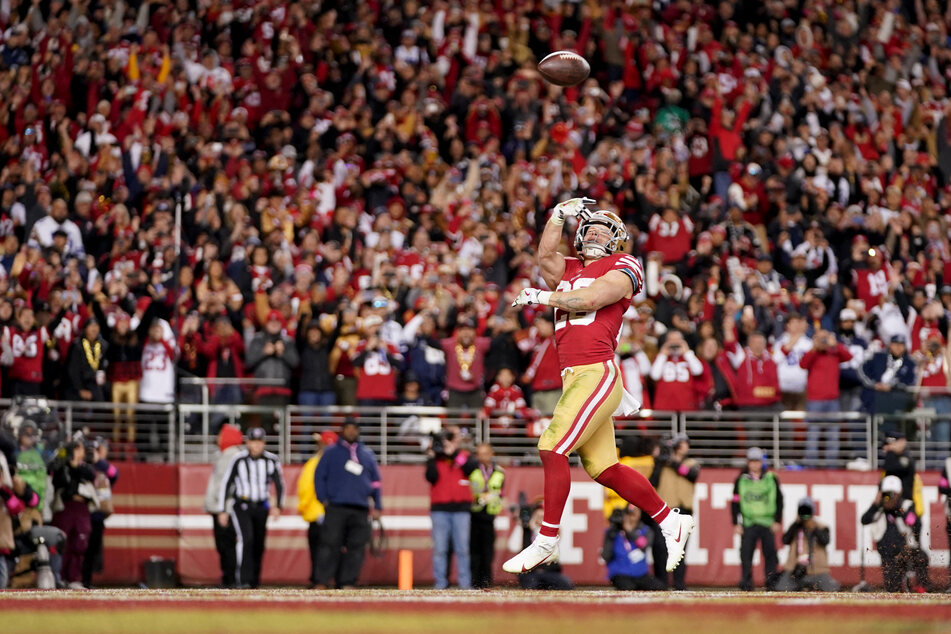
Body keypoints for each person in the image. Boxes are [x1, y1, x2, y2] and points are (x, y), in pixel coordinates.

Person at [504, 199, 695, 576]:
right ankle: (671, 521)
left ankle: (546, 539)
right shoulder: (570, 267)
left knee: (551, 445)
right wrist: (557, 216)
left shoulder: (624, 265)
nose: (593, 233)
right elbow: (544, 258)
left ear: (616, 240)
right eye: (588, 228)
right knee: (604, 467)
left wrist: (543, 297)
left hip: (596, 372)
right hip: (574, 377)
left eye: (602, 230)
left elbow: (590, 298)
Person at [313, 420, 382, 589]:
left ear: (358, 431)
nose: (351, 432)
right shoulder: (330, 453)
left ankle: (348, 581)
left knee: (356, 547)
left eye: (354, 429)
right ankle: (322, 580)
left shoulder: (367, 454)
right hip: (336, 506)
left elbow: (375, 482)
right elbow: (319, 477)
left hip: (360, 507)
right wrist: (323, 499)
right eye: (348, 429)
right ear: (342, 430)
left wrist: (378, 505)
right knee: (329, 545)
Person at [216, 427, 285, 589]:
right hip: (242, 506)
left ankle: (254, 581)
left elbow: (280, 484)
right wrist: (222, 510)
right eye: (253, 442)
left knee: (259, 544)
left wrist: (279, 507)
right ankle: (244, 580)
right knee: (247, 540)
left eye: (259, 442)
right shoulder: (238, 459)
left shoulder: (271, 460)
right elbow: (227, 483)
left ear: (264, 443)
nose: (256, 446)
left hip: (261, 507)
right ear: (248, 442)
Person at [425, 425, 477, 589]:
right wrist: (432, 456)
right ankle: (440, 583)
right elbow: (430, 477)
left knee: (463, 549)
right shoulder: (436, 459)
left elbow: (470, 468)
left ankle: (465, 584)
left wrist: (452, 453)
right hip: (440, 509)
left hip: (461, 509)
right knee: (440, 549)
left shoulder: (463, 456)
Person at [861, 475, 931, 592]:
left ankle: (922, 587)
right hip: (888, 553)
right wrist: (876, 505)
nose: (890, 497)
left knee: (921, 557)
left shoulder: (906, 505)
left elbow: (914, 522)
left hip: (906, 548)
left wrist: (898, 509)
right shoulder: (879, 507)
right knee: (893, 587)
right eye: (887, 494)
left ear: (900, 493)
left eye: (893, 493)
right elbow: (864, 520)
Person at [732, 446, 783, 591]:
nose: (754, 465)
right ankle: (746, 583)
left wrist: (777, 520)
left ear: (761, 462)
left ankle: (771, 583)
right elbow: (735, 502)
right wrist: (736, 522)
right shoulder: (741, 480)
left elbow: (779, 500)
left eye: (757, 461)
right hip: (749, 522)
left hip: (767, 523)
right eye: (752, 461)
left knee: (770, 555)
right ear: (748, 463)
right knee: (746, 555)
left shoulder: (771, 479)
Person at [799, 329, 852, 467]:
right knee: (813, 434)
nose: (823, 341)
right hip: (815, 400)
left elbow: (848, 356)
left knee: (833, 435)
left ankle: (832, 466)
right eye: (820, 338)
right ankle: (810, 466)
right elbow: (803, 364)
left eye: (825, 337)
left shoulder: (834, 352)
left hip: (833, 400)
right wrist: (814, 347)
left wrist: (835, 344)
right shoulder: (812, 353)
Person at [654, 434, 700, 590]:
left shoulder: (690, 463)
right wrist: (660, 462)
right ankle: (661, 583)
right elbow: (653, 481)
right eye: (681, 444)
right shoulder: (662, 464)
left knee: (680, 549)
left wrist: (671, 461)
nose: (684, 447)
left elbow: (690, 474)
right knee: (661, 548)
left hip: (683, 510)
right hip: (666, 510)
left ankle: (679, 583)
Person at [50, 439, 96, 589]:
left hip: (81, 508)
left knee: (80, 543)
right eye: (79, 449)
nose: (82, 452)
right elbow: (57, 479)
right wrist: (65, 459)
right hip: (65, 507)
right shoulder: (62, 467)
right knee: (63, 543)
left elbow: (90, 475)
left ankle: (74, 578)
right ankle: (59, 577)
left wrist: (75, 465)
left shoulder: (85, 468)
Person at [202, 423, 244, 587]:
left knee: (226, 545)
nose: (218, 438)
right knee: (225, 545)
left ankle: (230, 579)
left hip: (224, 509)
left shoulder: (230, 455)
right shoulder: (226, 454)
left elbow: (227, 485)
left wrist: (223, 509)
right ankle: (230, 578)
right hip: (224, 508)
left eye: (221, 434)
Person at [773, 497, 840, 592]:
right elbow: (785, 540)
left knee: (832, 588)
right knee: (781, 588)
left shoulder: (821, 527)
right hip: (795, 570)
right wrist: (796, 523)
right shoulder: (795, 527)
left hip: (817, 570)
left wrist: (814, 528)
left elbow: (825, 541)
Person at [297, 430, 337, 588]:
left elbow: (305, 488)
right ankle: (330, 579)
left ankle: (319, 580)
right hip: (335, 514)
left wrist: (303, 508)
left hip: (317, 513)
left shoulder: (314, 463)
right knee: (332, 549)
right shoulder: (339, 463)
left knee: (319, 550)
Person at [507, 501, 573, 590]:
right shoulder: (524, 529)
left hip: (550, 572)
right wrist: (520, 524)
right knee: (531, 586)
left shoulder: (554, 531)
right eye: (537, 516)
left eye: (543, 517)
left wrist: (535, 529)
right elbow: (513, 546)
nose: (540, 519)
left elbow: (551, 544)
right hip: (530, 573)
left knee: (565, 584)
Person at [602, 505, 667, 591]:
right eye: (630, 514)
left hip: (640, 575)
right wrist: (612, 532)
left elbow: (644, 545)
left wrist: (629, 530)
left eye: (635, 513)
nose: (632, 517)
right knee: (628, 587)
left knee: (660, 586)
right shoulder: (614, 532)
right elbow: (606, 555)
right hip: (620, 574)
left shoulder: (646, 530)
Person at [81, 438, 117, 588]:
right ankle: (79, 581)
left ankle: (86, 581)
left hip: (98, 516)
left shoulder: (103, 468)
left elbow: (114, 474)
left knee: (93, 551)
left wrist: (97, 460)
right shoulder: (84, 466)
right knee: (82, 549)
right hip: (85, 514)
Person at [469, 443, 505, 589]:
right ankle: (474, 584)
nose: (483, 457)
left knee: (488, 554)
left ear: (492, 454)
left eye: (485, 453)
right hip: (474, 515)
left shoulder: (499, 472)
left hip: (489, 516)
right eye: (480, 454)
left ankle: (486, 583)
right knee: (474, 553)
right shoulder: (472, 470)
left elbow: (500, 493)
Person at [441, 319, 491, 410]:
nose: (466, 333)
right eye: (462, 330)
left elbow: (497, 342)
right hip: (454, 390)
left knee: (478, 421)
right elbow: (433, 342)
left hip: (475, 390)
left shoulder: (481, 343)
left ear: (475, 332)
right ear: (457, 332)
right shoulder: (449, 344)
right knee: (453, 421)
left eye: (469, 330)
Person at [649, 330, 704, 411]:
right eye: (671, 340)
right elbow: (654, 375)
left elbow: (698, 370)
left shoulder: (688, 357)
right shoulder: (661, 358)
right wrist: (663, 354)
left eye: (677, 340)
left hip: (686, 406)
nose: (674, 343)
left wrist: (687, 352)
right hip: (664, 407)